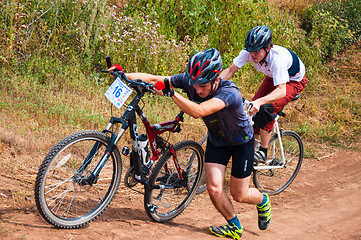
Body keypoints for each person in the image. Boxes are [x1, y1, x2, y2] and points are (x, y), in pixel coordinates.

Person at [109, 49, 271, 239]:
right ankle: (234, 226)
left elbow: (199, 111)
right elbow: (154, 78)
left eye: (202, 86)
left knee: (239, 195)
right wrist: (122, 74)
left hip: (241, 143)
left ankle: (263, 200)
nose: (197, 90)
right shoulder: (191, 81)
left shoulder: (229, 93)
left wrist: (172, 94)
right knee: (214, 189)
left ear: (216, 79)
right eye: (194, 84)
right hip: (217, 141)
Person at [220, 25, 307, 162]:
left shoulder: (277, 59)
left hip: (294, 81)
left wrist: (260, 102)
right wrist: (214, 85)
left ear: (267, 48)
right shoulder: (249, 52)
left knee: (266, 108)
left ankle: (263, 151)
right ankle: (250, 152)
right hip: (273, 77)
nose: (252, 54)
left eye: (256, 51)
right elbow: (231, 70)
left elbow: (281, 90)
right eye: (250, 51)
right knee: (251, 110)